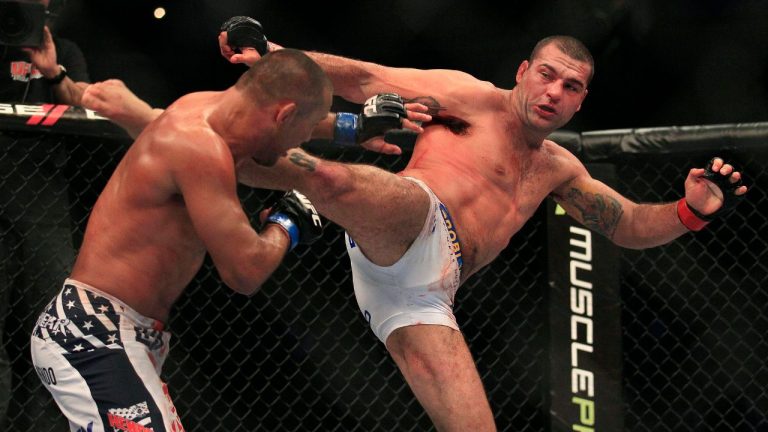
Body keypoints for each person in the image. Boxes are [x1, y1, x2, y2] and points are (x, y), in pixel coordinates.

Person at [219, 33, 748, 431]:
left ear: (580, 101)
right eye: (546, 74)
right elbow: (363, 76)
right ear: (523, 72)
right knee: (334, 180)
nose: (553, 91)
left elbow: (628, 225)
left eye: (571, 86)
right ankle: (223, 144)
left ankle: (238, 152)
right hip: (414, 217)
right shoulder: (468, 96)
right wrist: (270, 52)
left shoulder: (560, 168)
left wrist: (690, 210)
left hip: (427, 297)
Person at [27, 49, 339, 432]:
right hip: (92, 333)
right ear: (284, 115)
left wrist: (353, 128)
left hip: (116, 331)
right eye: (306, 130)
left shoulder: (204, 111)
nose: (304, 141)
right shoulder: (200, 148)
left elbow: (265, 156)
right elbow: (245, 271)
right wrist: (286, 223)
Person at [0, 0, 90, 429]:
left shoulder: (65, 52)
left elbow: (85, 106)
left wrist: (52, 70)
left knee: (48, 337)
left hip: (43, 205)